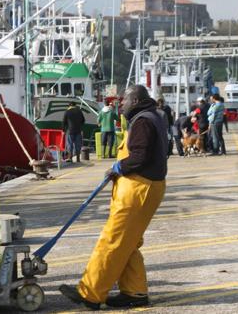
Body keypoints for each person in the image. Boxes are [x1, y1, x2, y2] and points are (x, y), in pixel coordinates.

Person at [59, 85, 168, 309]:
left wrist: (119, 167)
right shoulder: (152, 116)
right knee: (128, 243)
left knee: (113, 240)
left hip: (139, 187)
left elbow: (139, 156)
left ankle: (90, 293)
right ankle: (135, 292)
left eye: (125, 101)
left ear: (136, 101)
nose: (121, 105)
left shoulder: (143, 121)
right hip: (149, 186)